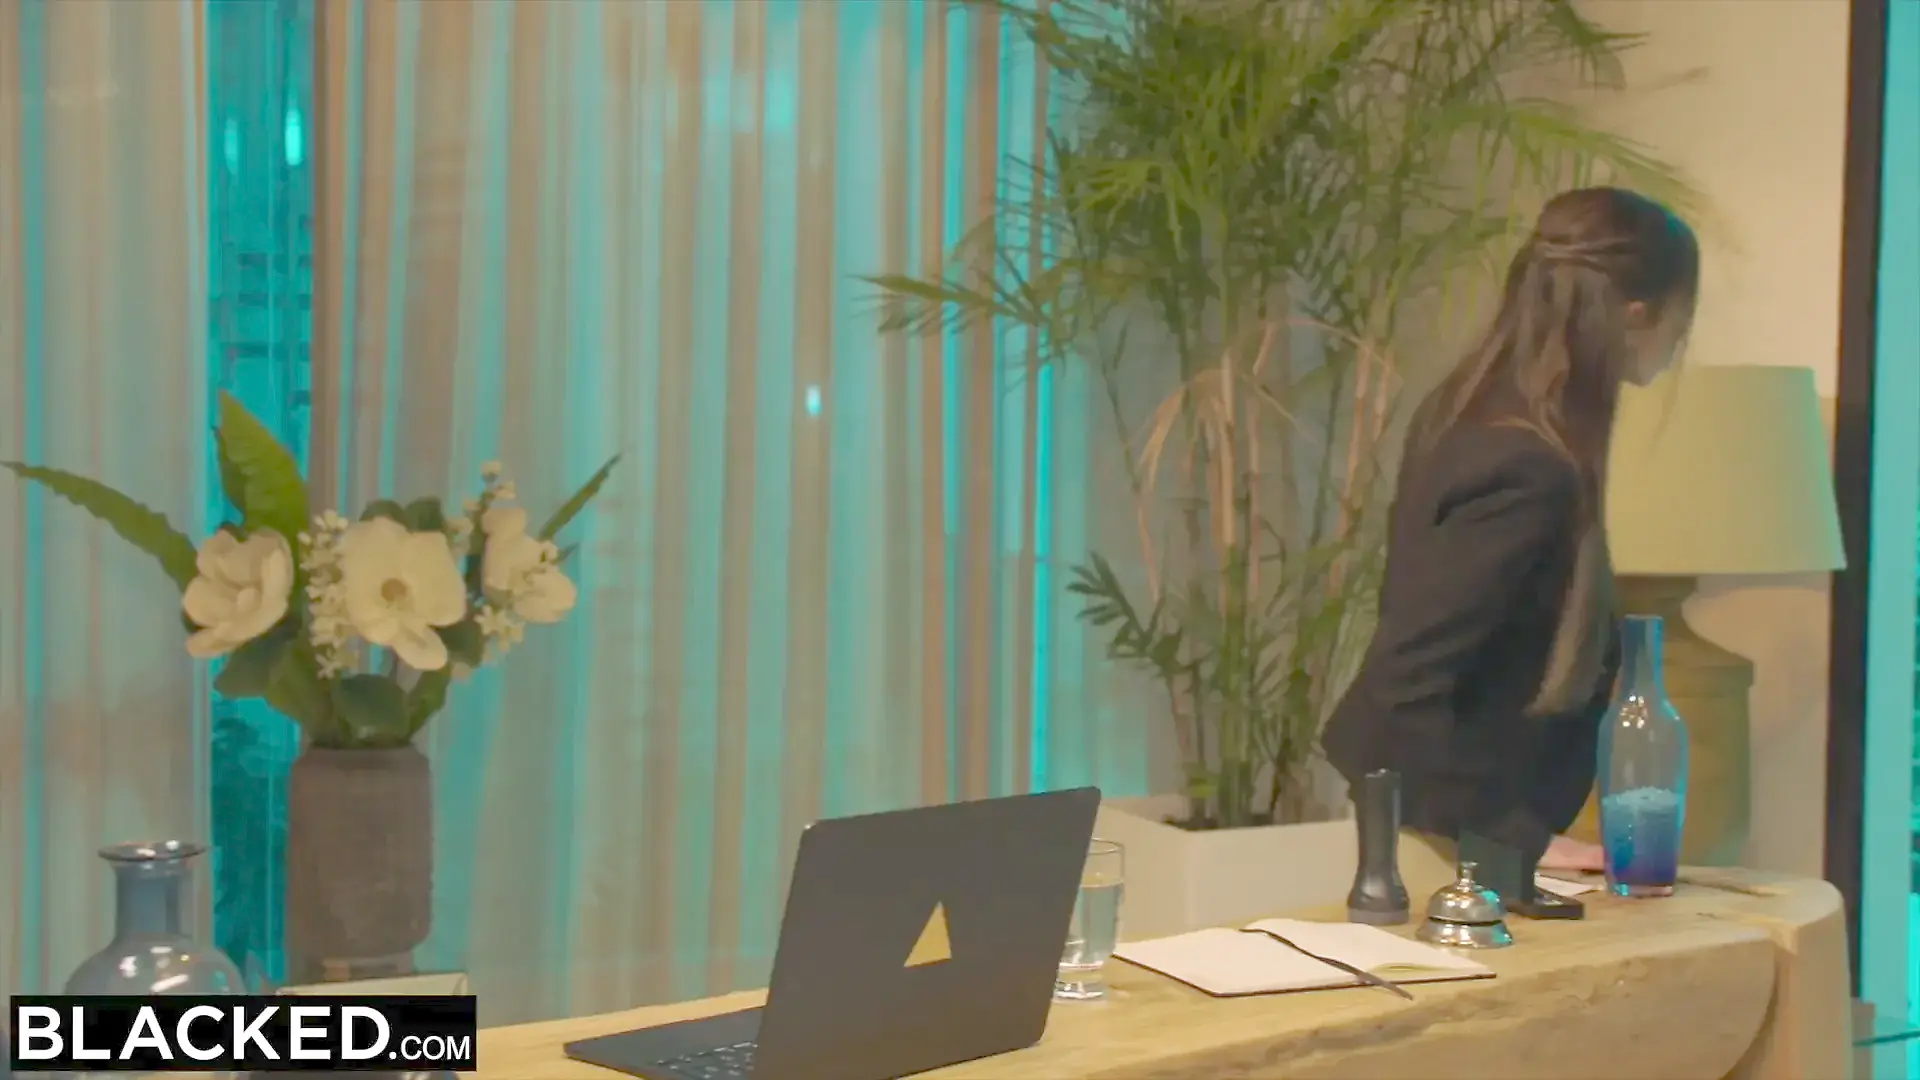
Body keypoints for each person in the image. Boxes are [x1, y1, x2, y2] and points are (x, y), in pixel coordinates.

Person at [1322, 186, 1700, 877]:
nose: (1678, 344)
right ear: (1637, 315)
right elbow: (1403, 688)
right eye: (1681, 320)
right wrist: (1513, 837)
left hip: (1449, 835)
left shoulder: (1470, 411)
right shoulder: (1526, 465)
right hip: (1456, 848)